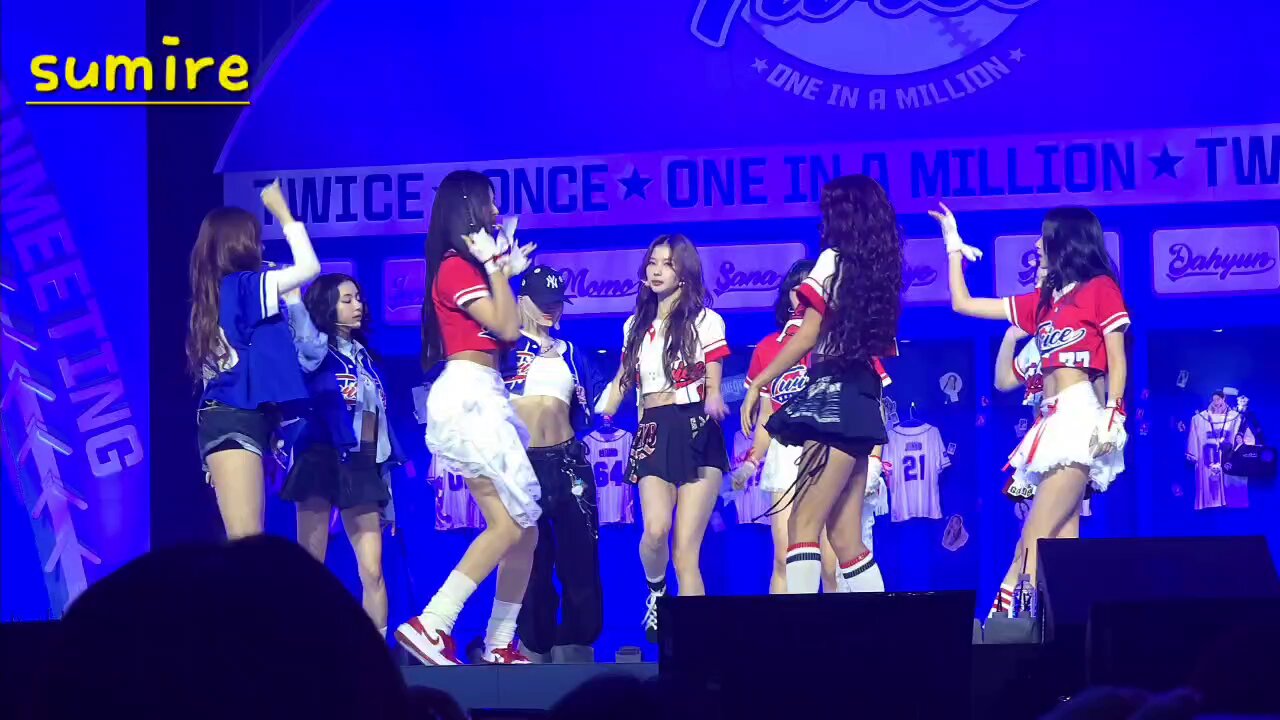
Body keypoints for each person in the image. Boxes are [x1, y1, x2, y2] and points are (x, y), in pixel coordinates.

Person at [932, 203, 1129, 608]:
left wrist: (1114, 412)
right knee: (1060, 542)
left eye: (1044, 237)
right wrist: (953, 246)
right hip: (1050, 420)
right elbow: (963, 304)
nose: (1037, 246)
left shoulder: (1100, 289)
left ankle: (1005, 622)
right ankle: (1062, 629)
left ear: (1066, 242)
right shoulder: (1043, 302)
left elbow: (1117, 356)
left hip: (1079, 418)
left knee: (1033, 538)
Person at [395, 170, 539, 666]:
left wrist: (501, 271)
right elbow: (508, 327)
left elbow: (505, 327)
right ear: (469, 207)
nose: (497, 212)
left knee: (525, 526)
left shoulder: (468, 269)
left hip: (484, 392)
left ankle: (500, 642)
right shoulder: (456, 268)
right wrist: (497, 268)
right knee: (507, 524)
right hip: (469, 394)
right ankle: (432, 623)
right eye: (490, 202)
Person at [741, 174, 903, 595]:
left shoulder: (832, 261)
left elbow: (807, 334)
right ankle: (884, 628)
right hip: (861, 396)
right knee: (847, 539)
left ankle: (802, 630)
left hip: (833, 397)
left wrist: (759, 382)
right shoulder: (879, 272)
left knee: (802, 525)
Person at [597, 234, 730, 641]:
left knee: (686, 553)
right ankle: (657, 593)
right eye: (652, 263)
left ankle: (695, 646)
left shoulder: (706, 320)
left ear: (684, 272)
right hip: (653, 427)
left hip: (696, 426)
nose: (656, 271)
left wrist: (714, 396)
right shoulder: (635, 326)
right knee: (655, 529)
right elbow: (624, 376)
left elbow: (714, 370)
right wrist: (606, 405)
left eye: (667, 264)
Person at [187, 180, 320, 539]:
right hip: (234, 419)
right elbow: (309, 267)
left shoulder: (219, 292)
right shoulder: (244, 286)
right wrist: (285, 216)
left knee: (249, 540)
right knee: (247, 540)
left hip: (235, 417)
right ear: (239, 244)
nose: (261, 246)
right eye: (255, 238)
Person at [281, 273, 404, 637]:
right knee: (310, 567)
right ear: (327, 305)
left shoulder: (369, 360)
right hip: (319, 457)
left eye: (359, 298)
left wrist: (386, 490)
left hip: (362, 464)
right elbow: (306, 340)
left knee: (373, 570)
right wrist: (293, 299)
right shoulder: (316, 350)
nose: (358, 306)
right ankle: (304, 648)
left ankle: (376, 653)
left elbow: (379, 431)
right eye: (347, 300)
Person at [501, 265, 606, 663]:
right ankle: (533, 645)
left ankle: (577, 642)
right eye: (543, 302)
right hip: (520, 465)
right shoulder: (504, 349)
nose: (551, 309)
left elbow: (602, 402)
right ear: (521, 301)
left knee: (581, 558)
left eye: (557, 302)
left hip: (567, 462)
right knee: (530, 561)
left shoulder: (572, 353)